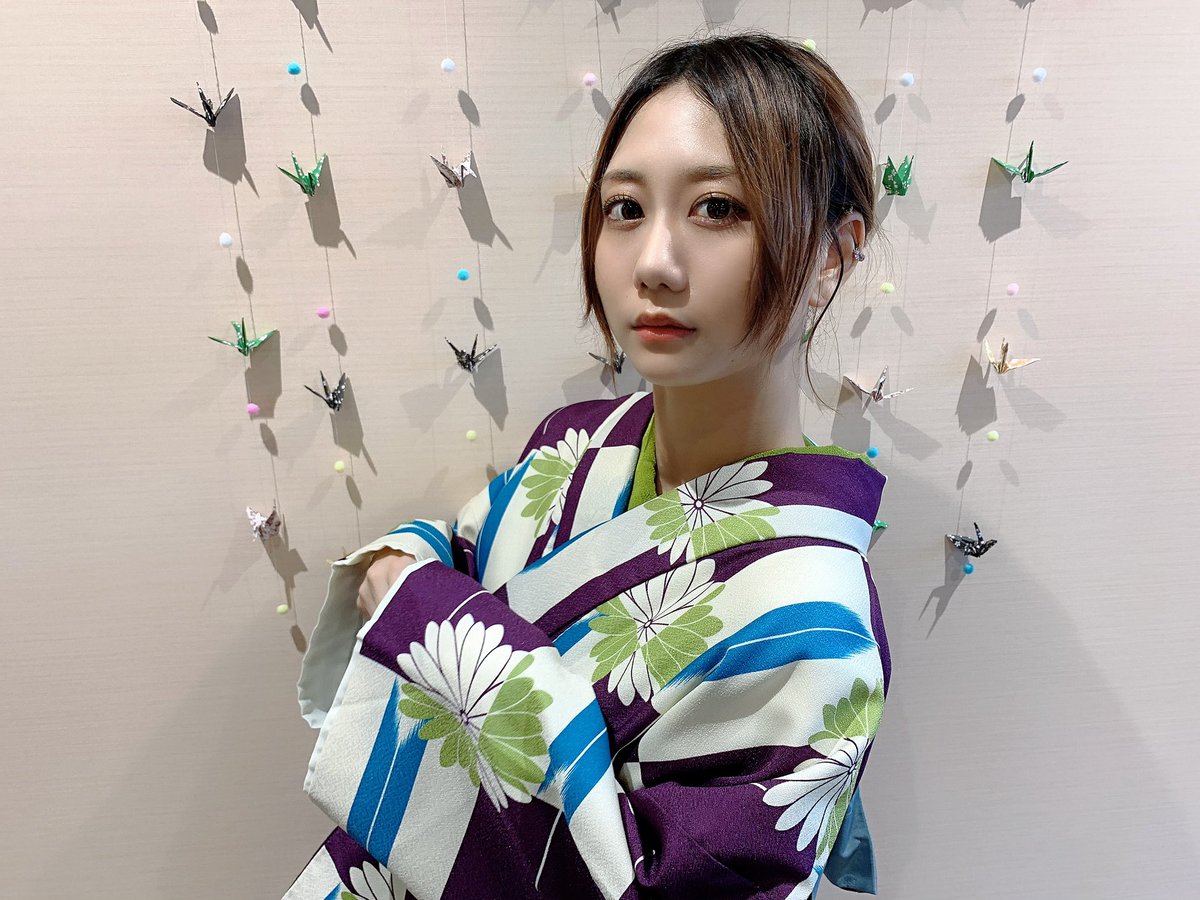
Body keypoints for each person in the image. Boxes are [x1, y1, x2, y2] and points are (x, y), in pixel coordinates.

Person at [285, 29, 889, 900]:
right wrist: (399, 564)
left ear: (832, 255)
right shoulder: (583, 441)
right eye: (626, 209)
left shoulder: (817, 622)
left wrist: (426, 621)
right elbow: (464, 553)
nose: (654, 264)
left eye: (718, 208)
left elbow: (661, 884)